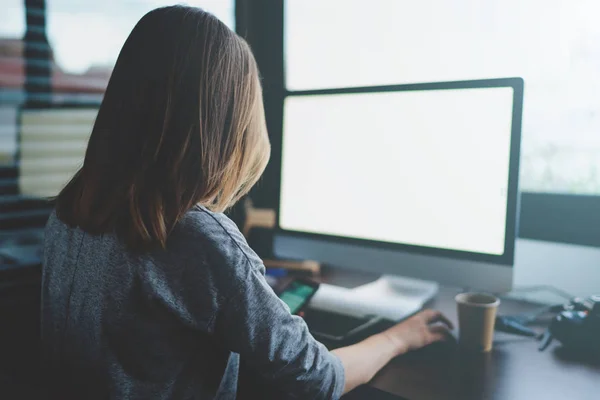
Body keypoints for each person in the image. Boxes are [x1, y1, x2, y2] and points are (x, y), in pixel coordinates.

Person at [41, 5, 453, 399]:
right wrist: (400, 337)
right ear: (226, 123)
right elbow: (319, 380)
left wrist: (254, 321)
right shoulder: (194, 234)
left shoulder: (70, 212)